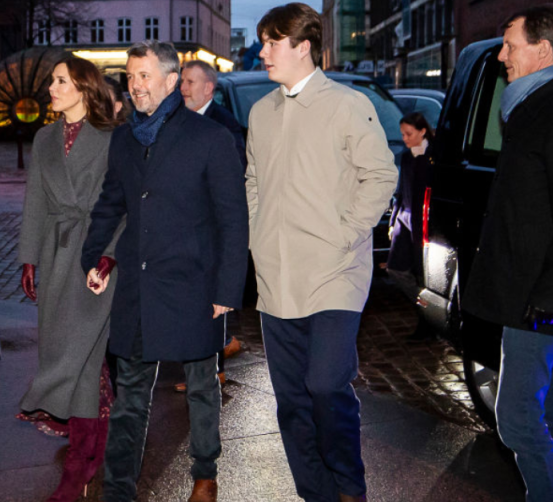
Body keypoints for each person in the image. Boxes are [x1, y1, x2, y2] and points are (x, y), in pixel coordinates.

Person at [82, 40, 248, 502]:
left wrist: (226, 288)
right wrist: (93, 257)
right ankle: (118, 490)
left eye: (144, 76)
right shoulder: (124, 139)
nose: (135, 86)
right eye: (130, 77)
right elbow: (110, 205)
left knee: (200, 384)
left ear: (171, 81)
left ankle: (205, 471)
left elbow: (233, 220)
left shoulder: (210, 138)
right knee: (129, 394)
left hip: (194, 284)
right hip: (138, 285)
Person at [246, 4, 398, 501]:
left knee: (326, 385)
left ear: (303, 45)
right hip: (276, 276)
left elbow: (381, 174)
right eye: (262, 41)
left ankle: (349, 487)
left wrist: (346, 232)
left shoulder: (347, 104)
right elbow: (253, 182)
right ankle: (316, 493)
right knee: (291, 402)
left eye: (272, 42)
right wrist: (257, 235)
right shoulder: (260, 112)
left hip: (335, 272)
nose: (263, 51)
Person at [463, 5, 553, 500]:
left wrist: (550, 300)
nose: (502, 55)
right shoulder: (533, 106)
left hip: (538, 299)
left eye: (510, 45)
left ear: (542, 50)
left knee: (518, 421)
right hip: (531, 293)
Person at [16, 56, 124, 501]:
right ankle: (94, 450)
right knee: (73, 355)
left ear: (83, 86)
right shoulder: (44, 138)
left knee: (80, 356)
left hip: (94, 258)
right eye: (52, 81)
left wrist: (109, 256)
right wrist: (28, 258)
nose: (52, 88)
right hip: (55, 253)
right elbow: (36, 201)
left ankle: (78, 465)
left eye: (61, 81)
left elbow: (121, 204)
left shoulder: (113, 137)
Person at [174, 59, 246, 393]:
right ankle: (207, 360)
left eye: (189, 82)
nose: (183, 88)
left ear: (208, 89)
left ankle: (213, 370)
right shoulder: (180, 120)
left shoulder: (224, 126)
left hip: (211, 229)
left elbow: (231, 181)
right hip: (185, 226)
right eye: (182, 82)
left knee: (211, 302)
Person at [387, 112, 434, 341]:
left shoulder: (434, 156)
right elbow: (400, 190)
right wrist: (394, 218)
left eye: (409, 134)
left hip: (424, 226)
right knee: (396, 268)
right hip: (404, 222)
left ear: (422, 131)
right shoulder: (407, 158)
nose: (405, 139)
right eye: (403, 134)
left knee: (422, 274)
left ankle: (427, 320)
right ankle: (427, 308)